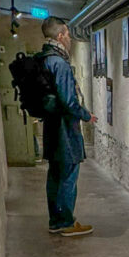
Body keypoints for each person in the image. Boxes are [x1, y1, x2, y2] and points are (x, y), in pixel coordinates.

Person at [40, 16, 97, 236]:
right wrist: (86, 115)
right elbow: (69, 101)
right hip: (65, 129)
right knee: (69, 173)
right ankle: (66, 222)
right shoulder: (60, 63)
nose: (70, 39)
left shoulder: (44, 59)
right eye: (68, 34)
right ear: (60, 35)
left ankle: (55, 220)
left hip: (52, 127)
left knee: (55, 174)